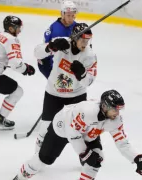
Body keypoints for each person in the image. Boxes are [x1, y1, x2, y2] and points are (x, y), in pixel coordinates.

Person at [7, 90, 142, 180]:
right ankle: (20, 177)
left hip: (89, 132)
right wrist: (85, 154)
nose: (117, 113)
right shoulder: (87, 111)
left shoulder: (115, 120)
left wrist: (137, 158)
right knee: (44, 159)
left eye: (120, 109)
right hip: (63, 127)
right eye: (115, 109)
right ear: (105, 106)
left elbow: (123, 143)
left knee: (97, 158)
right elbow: (72, 134)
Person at [34, 22, 97, 153]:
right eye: (82, 39)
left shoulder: (89, 55)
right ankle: (38, 156)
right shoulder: (61, 43)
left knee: (83, 128)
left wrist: (82, 75)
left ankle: (87, 158)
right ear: (74, 37)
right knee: (45, 127)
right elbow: (37, 53)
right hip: (53, 94)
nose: (85, 43)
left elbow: (89, 81)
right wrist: (50, 46)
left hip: (76, 96)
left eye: (88, 40)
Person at [0, 16, 35, 130]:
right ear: (11, 28)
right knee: (17, 92)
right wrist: (26, 69)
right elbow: (15, 63)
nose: (19, 30)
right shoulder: (12, 39)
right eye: (18, 28)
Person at [38, 1, 77, 78]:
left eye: (73, 15)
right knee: (58, 87)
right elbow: (49, 51)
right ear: (62, 14)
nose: (71, 18)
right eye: (68, 15)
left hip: (61, 60)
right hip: (48, 63)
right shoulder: (56, 30)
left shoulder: (75, 25)